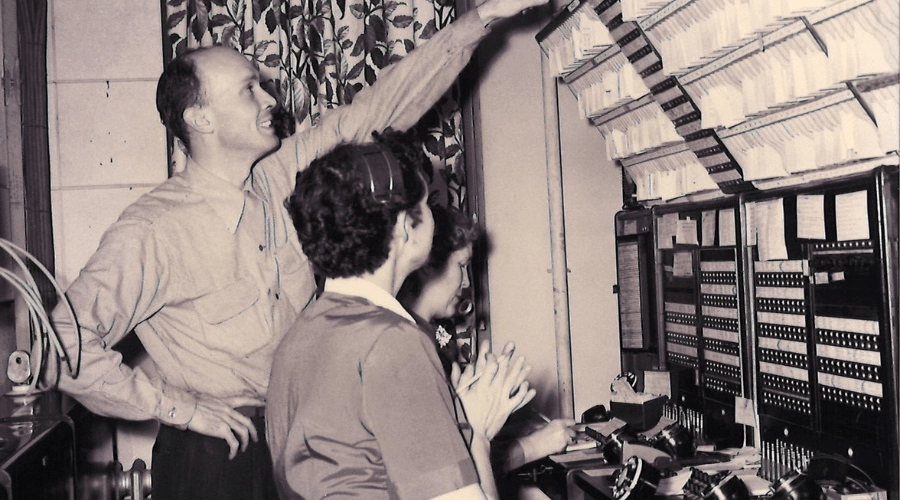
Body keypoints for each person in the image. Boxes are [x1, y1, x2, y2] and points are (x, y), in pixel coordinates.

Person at [44, 0, 546, 498]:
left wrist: (484, 18)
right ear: (200, 118)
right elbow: (60, 349)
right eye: (249, 90)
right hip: (217, 456)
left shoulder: (283, 172)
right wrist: (182, 408)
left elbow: (381, 107)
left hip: (299, 437)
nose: (270, 101)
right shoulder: (153, 231)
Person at [267, 130, 535, 499]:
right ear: (404, 227)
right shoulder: (393, 341)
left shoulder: (297, 338)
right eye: (426, 206)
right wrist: (475, 434)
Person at [397, 204, 576, 477]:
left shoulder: (431, 333)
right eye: (461, 266)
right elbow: (444, 469)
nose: (467, 282)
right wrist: (533, 446)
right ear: (427, 266)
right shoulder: (409, 344)